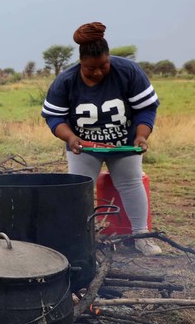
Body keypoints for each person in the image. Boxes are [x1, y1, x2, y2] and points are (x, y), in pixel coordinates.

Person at [41, 21, 162, 256]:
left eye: (103, 66)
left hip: (123, 143)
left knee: (131, 182)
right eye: (90, 69)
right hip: (84, 146)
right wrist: (71, 137)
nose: (97, 72)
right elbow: (54, 118)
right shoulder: (65, 81)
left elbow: (146, 109)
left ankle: (142, 236)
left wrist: (141, 136)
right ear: (80, 64)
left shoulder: (128, 71)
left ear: (109, 58)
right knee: (79, 189)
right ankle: (76, 239)